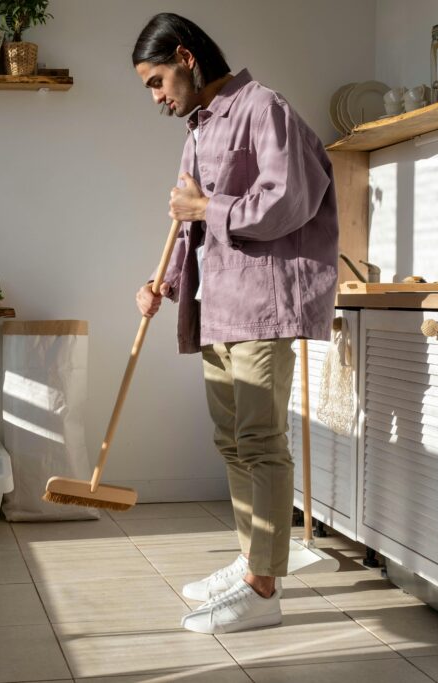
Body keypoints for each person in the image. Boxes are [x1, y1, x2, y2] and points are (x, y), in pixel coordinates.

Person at [131, 13, 338, 634]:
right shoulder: (198, 131)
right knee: (232, 443)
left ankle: (264, 587)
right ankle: (253, 558)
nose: (157, 97)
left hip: (262, 302)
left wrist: (206, 205)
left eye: (157, 80)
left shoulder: (262, 108)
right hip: (216, 306)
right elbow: (188, 226)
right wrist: (163, 283)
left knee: (261, 443)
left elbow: (289, 200)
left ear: (186, 57)